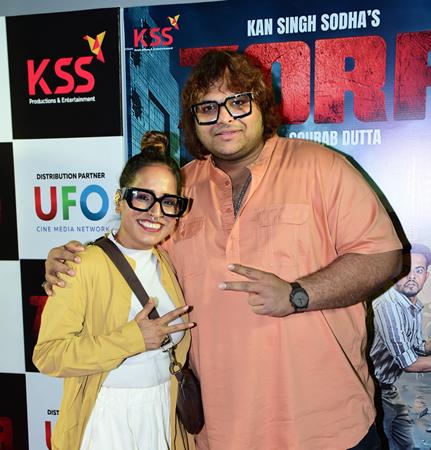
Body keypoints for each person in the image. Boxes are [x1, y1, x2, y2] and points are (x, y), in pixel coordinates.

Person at [43, 50, 402, 450]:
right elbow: (131, 252)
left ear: (261, 105)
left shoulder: (323, 167)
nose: (224, 118)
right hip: (220, 431)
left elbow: (383, 257)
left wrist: (298, 294)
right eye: (208, 107)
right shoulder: (178, 190)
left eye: (238, 102)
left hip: (327, 426)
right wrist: (73, 259)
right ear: (194, 120)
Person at [34, 132, 196, 450]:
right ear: (119, 200)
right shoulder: (83, 263)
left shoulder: (165, 261)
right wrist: (133, 339)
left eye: (168, 202)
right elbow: (49, 356)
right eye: (143, 198)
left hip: (160, 410)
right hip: (107, 418)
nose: (156, 213)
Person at [370, 243, 431, 450]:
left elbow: (418, 347)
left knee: (406, 444)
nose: (412, 276)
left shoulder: (414, 306)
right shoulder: (388, 305)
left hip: (389, 391)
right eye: (406, 269)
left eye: (419, 270)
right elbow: (409, 363)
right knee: (383, 444)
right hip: (373, 392)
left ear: (426, 276)